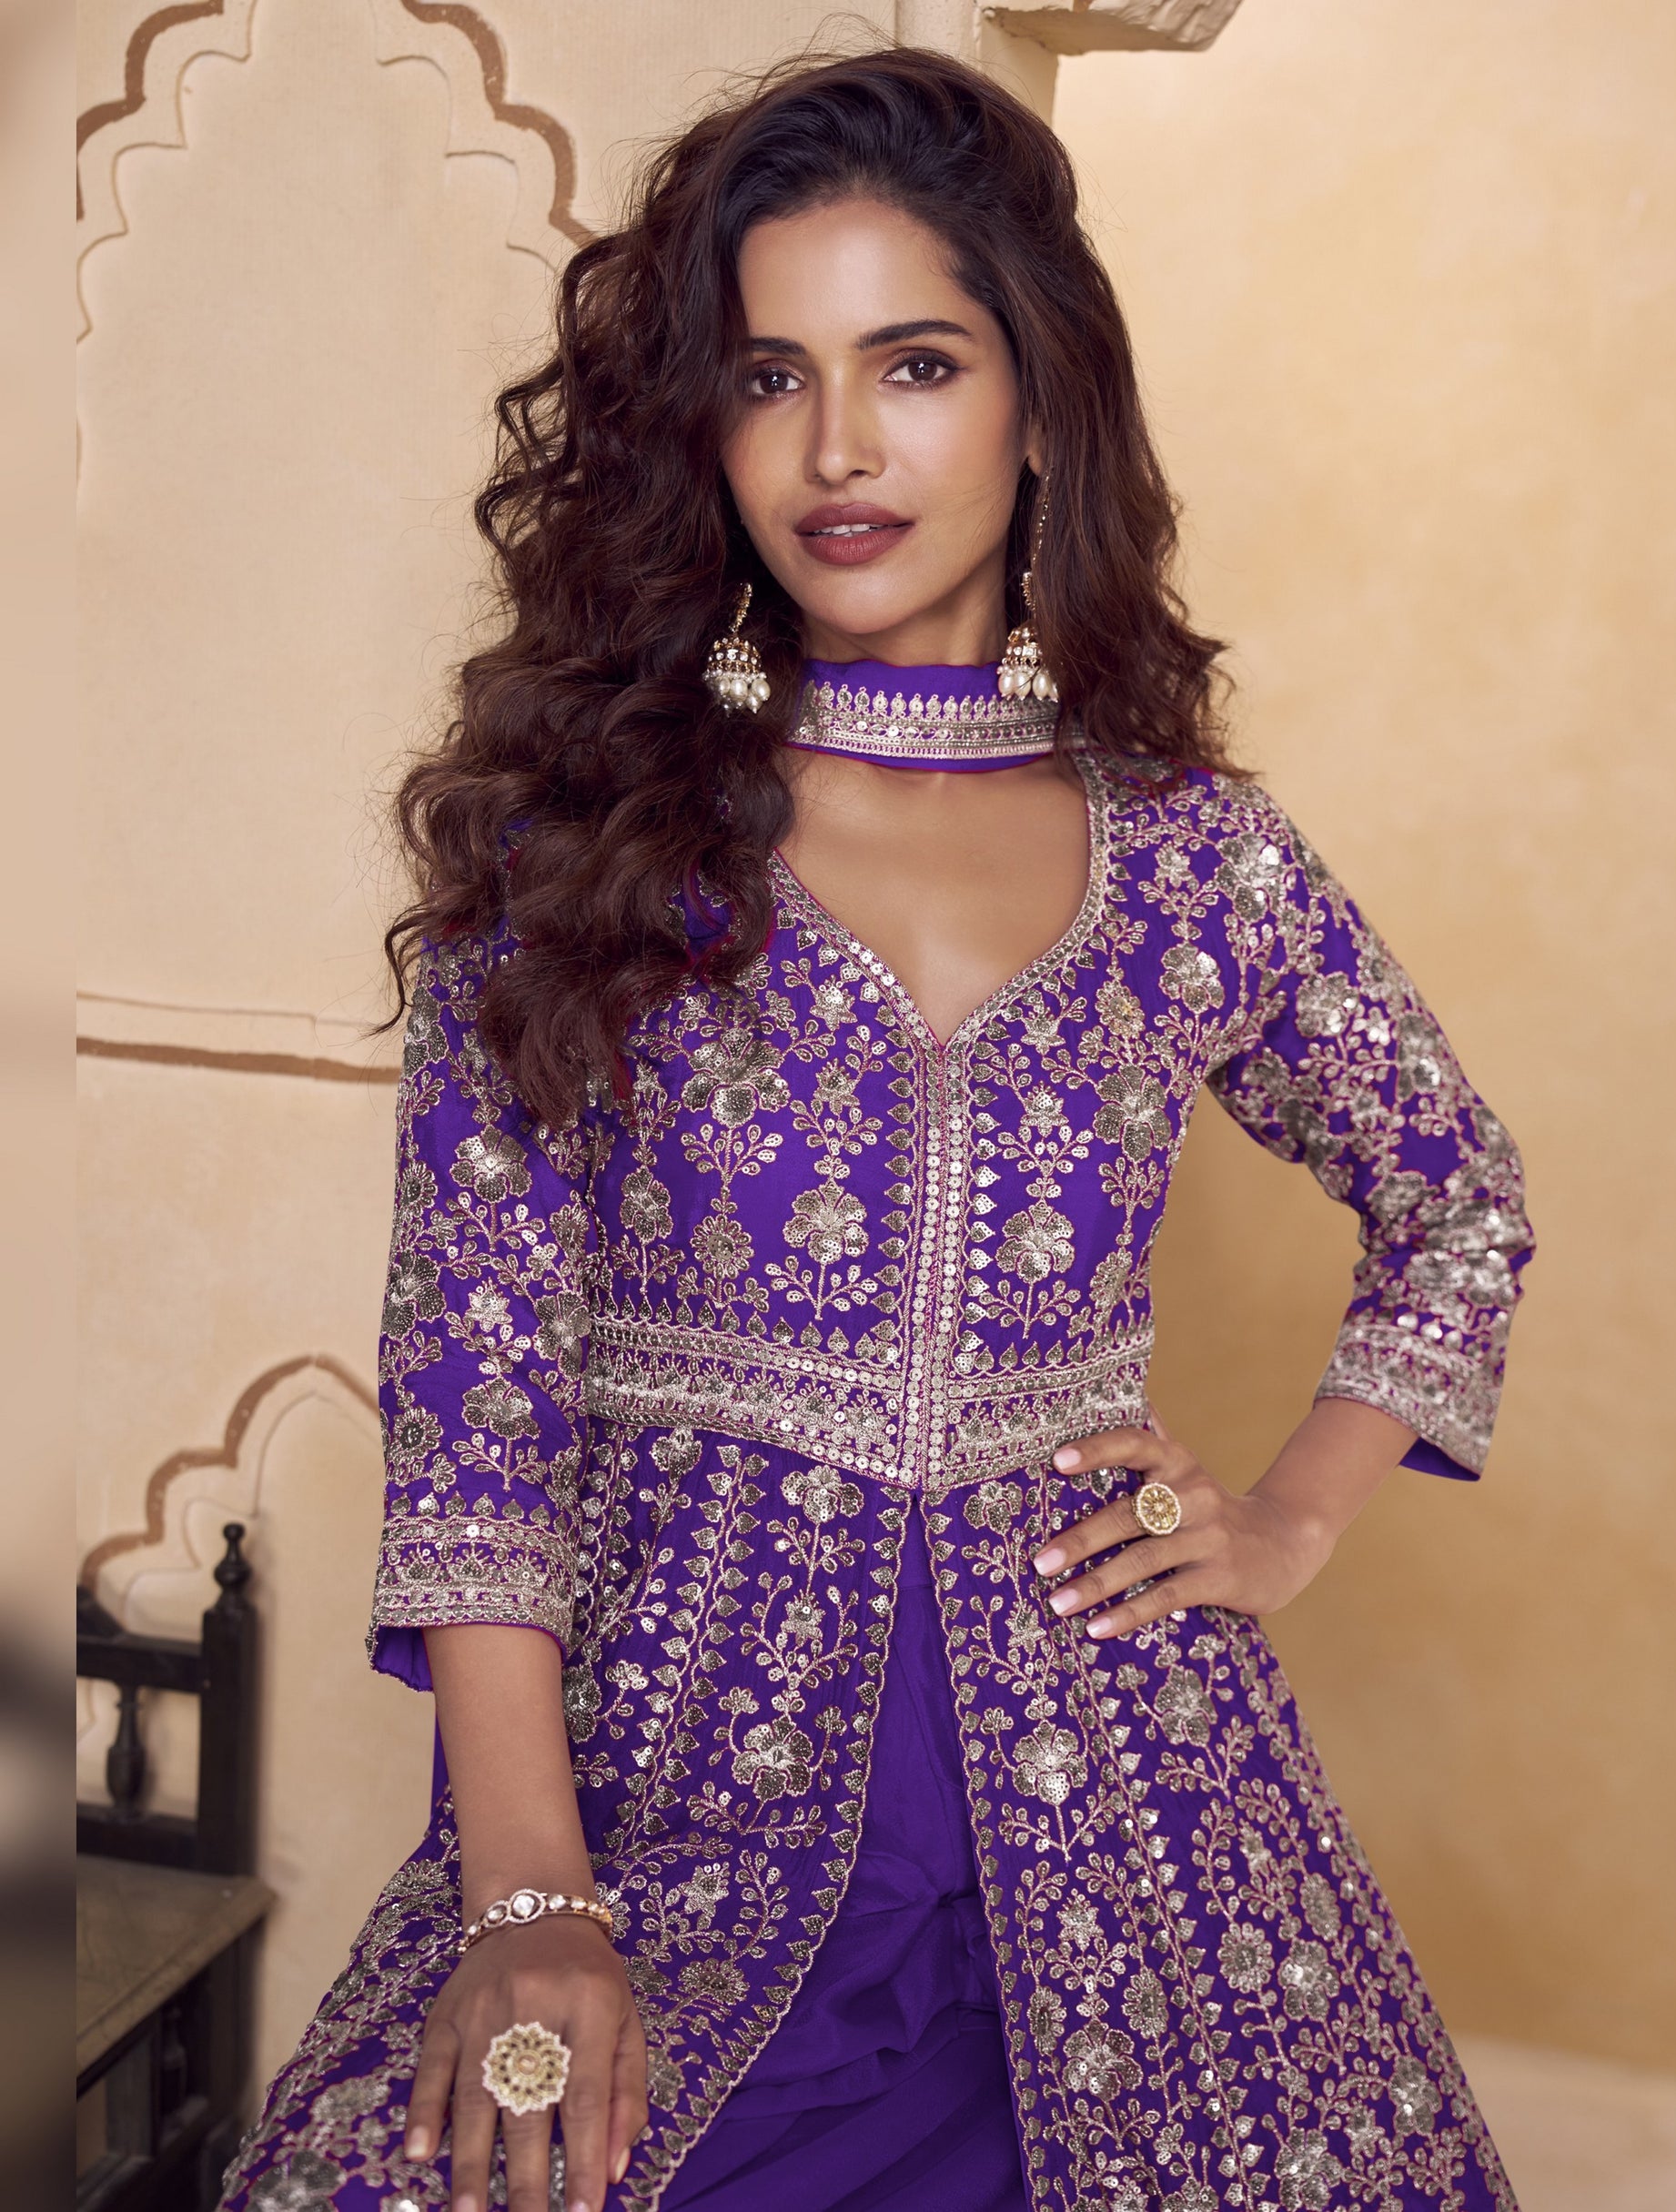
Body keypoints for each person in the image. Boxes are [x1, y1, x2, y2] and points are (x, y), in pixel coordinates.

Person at [223, 46, 1533, 2212]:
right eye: (767, 377)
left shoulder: (1192, 857)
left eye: (910, 362)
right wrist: (533, 1900)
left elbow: (1457, 1197)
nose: (837, 448)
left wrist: (1286, 1521)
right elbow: (474, 1396)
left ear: (1039, 398)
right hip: (667, 1789)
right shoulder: (584, 842)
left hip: (1125, 1795)